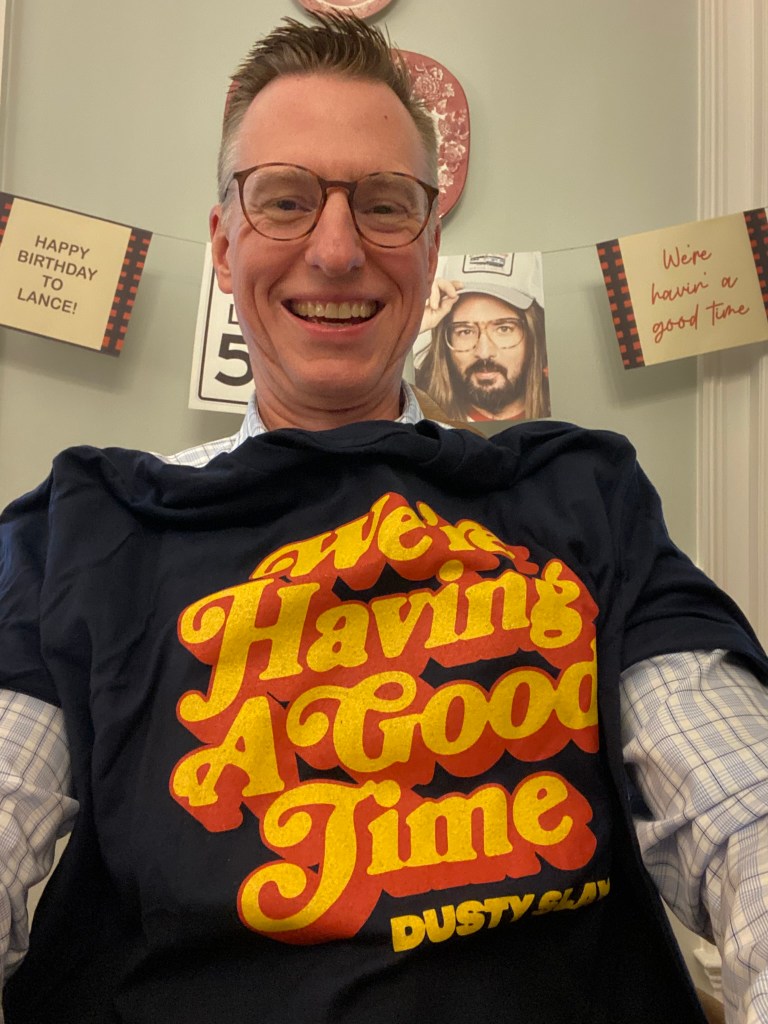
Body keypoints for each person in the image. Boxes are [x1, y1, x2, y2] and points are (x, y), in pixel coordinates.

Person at [1, 14, 767, 1024]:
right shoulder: (86, 525)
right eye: (284, 201)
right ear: (225, 247)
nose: (335, 250)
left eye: (384, 205)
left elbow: (743, 811)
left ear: (430, 249)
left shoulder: (579, 495)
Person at [416, 253, 550, 422]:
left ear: (533, 335)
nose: (484, 353)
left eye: (504, 329)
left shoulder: (569, 400)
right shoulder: (416, 407)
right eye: (465, 331)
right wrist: (414, 324)